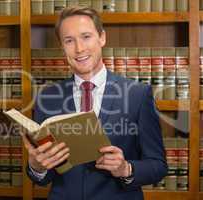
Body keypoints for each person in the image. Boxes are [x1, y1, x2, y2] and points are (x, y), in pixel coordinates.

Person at [24, 6, 168, 200]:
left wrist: (126, 168)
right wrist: (36, 166)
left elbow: (158, 165)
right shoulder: (47, 97)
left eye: (86, 37)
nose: (79, 48)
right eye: (69, 40)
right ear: (62, 47)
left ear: (102, 38)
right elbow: (43, 179)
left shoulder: (138, 95)